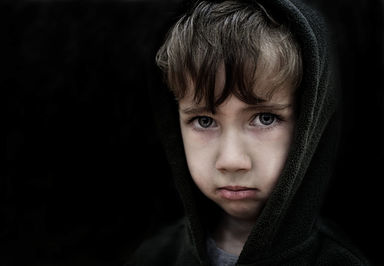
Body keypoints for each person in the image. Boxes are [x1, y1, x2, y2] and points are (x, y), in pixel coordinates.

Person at [125, 0, 370, 265]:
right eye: (204, 121)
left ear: (308, 125)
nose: (231, 161)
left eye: (265, 118)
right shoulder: (155, 256)